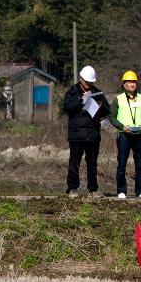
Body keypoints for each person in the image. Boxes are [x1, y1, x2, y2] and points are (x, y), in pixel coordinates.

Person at [62, 65, 109, 196]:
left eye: (91, 82)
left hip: (93, 134)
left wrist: (99, 106)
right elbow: (67, 107)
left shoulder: (97, 92)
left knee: (92, 163)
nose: (88, 84)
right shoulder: (72, 92)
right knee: (74, 162)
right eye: (86, 81)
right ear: (81, 79)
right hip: (76, 135)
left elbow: (107, 109)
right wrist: (81, 100)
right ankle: (72, 188)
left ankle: (93, 189)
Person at [110, 70, 141, 199]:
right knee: (122, 163)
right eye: (129, 82)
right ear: (124, 84)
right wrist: (122, 127)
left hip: (138, 135)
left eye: (134, 81)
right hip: (124, 135)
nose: (132, 84)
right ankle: (121, 190)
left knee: (140, 165)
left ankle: (140, 191)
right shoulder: (118, 99)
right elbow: (111, 117)